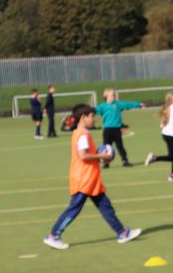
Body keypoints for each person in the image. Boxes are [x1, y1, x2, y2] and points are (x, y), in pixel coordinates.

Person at [43, 103, 142, 250]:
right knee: (74, 208)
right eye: (92, 117)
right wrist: (101, 155)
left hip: (91, 179)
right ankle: (53, 236)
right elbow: (83, 156)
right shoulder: (82, 134)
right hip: (84, 179)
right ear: (83, 117)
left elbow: (87, 155)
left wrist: (98, 157)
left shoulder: (80, 133)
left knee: (106, 206)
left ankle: (122, 233)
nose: (94, 119)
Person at [144, 91, 173, 182]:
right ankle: (154, 158)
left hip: (166, 134)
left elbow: (163, 122)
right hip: (170, 135)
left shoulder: (168, 108)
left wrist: (163, 125)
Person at [95, 89, 144, 166]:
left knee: (120, 146)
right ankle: (106, 162)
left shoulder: (117, 104)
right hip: (107, 129)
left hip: (116, 129)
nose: (113, 96)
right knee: (106, 147)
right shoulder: (102, 106)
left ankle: (125, 160)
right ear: (106, 96)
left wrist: (138, 105)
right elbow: (93, 111)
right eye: (111, 95)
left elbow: (127, 104)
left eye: (114, 95)